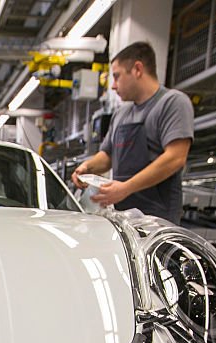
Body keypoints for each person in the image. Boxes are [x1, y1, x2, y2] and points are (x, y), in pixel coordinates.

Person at [71, 42, 194, 223]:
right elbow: (108, 155)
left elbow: (175, 158)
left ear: (137, 69)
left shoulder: (172, 103)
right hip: (123, 218)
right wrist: (87, 168)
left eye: (117, 76)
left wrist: (125, 188)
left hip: (157, 221)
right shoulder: (121, 114)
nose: (113, 86)